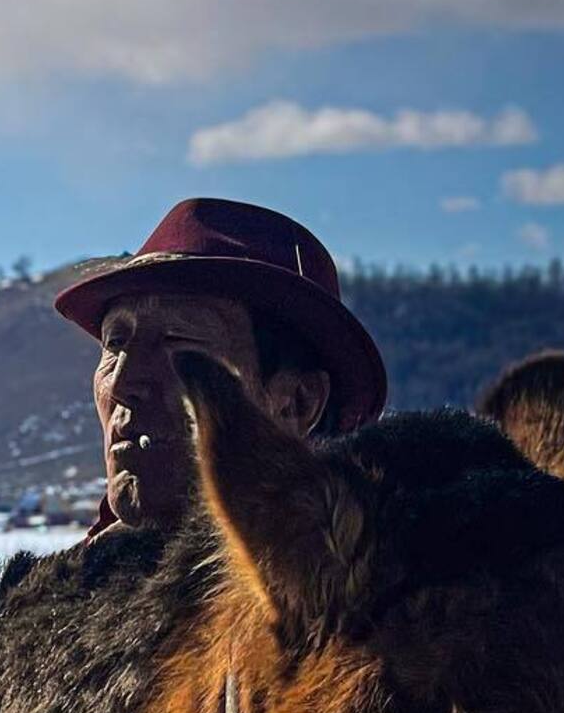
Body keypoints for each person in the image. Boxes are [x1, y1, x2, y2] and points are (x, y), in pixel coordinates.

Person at [52, 198, 389, 535]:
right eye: (115, 343)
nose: (122, 383)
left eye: (176, 340)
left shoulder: (373, 584)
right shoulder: (58, 584)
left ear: (296, 402)